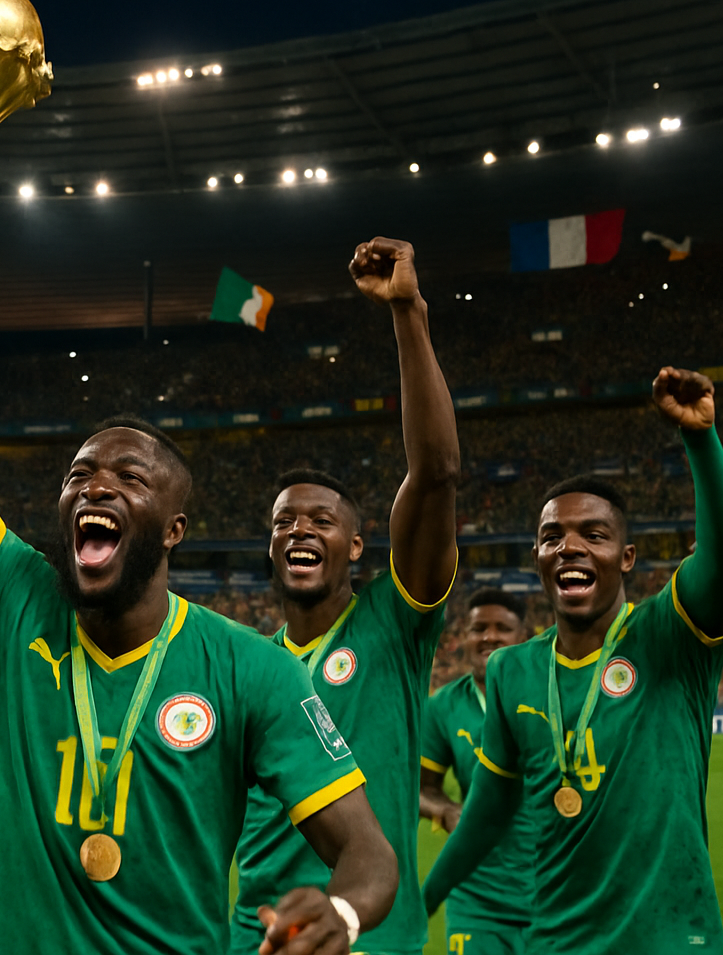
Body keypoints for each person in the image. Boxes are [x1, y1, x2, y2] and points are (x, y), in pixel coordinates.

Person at [0, 143, 398, 955]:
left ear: (174, 528)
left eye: (128, 476)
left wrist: (339, 913)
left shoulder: (252, 671)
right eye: (78, 474)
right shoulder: (10, 600)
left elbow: (368, 853)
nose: (94, 486)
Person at [423, 368, 723, 954]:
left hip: (672, 938)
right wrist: (419, 903)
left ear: (625, 558)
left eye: (591, 535)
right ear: (539, 559)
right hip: (558, 943)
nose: (569, 546)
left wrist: (699, 438)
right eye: (553, 537)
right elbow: (486, 816)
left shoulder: (670, 636)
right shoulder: (511, 671)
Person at [232, 237, 460, 955]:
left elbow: (435, 475)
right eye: (283, 522)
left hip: (369, 933)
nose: (300, 529)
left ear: (356, 548)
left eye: (321, 521)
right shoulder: (246, 665)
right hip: (253, 935)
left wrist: (407, 313)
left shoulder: (394, 627)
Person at [419, 589, 537, 954]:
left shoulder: (551, 694)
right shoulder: (443, 707)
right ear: (463, 637)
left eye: (502, 628)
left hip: (554, 893)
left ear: (524, 638)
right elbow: (420, 788)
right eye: (478, 628)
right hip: (476, 896)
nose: (489, 637)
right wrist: (444, 809)